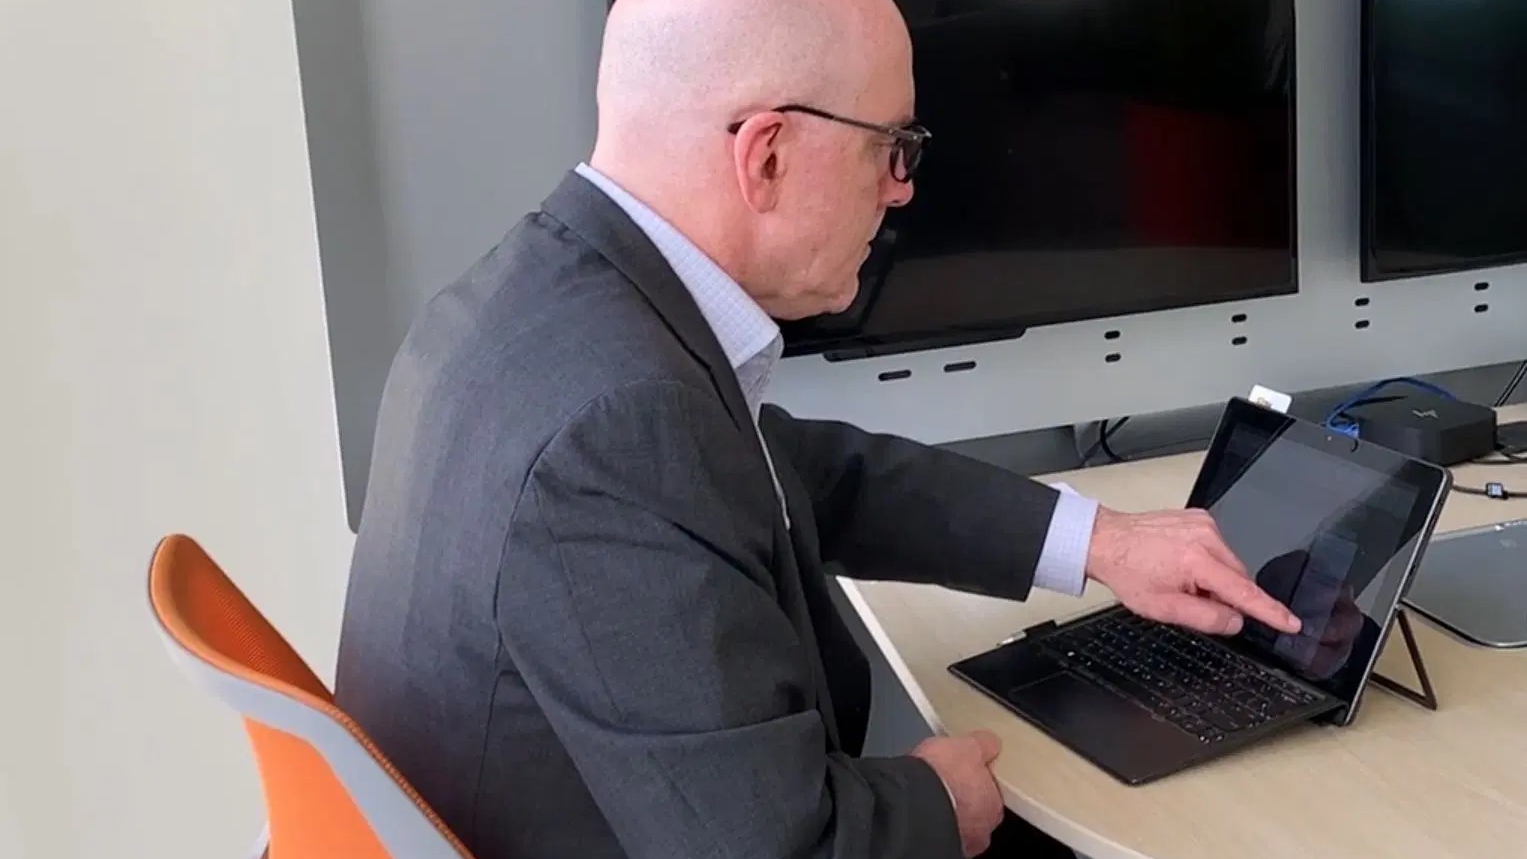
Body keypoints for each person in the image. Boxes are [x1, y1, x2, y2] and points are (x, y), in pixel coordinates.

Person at [332, 0, 1302, 857]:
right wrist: (936, 802)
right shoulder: (619, 424)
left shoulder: (536, 302)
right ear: (766, 154)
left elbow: (797, 470)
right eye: (894, 147)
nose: (903, 189)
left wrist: (1100, 538)